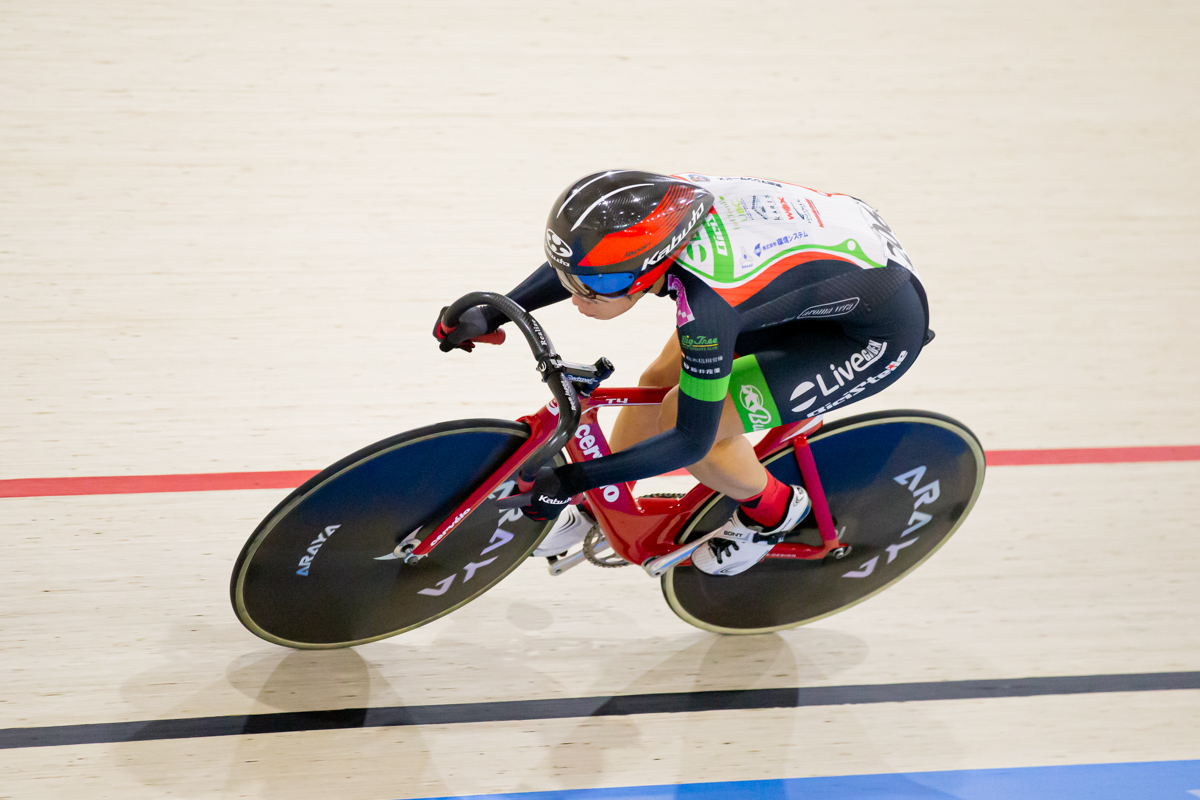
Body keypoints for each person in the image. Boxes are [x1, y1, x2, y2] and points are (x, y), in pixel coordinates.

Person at [434, 170, 930, 576]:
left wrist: (568, 478)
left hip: (869, 334)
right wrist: (499, 310)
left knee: (690, 425)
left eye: (595, 288)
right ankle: (601, 505)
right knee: (656, 384)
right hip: (813, 281)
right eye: (575, 283)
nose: (578, 296)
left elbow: (689, 441)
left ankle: (775, 512)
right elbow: (586, 256)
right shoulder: (657, 207)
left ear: (648, 267)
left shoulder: (708, 309)